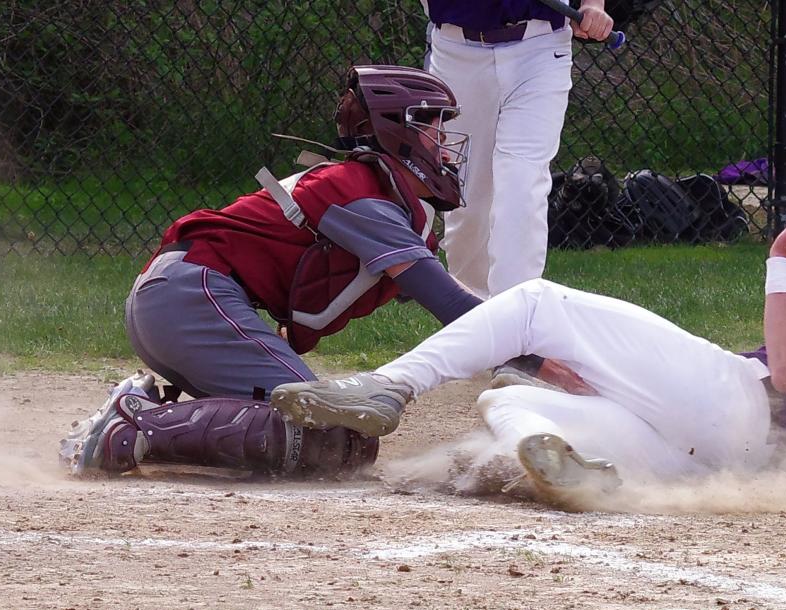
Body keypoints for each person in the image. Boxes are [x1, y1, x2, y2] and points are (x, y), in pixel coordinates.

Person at [267, 197, 786, 509]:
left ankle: (389, 386)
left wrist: (781, 261)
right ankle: (572, 472)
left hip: (734, 404)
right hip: (711, 452)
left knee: (539, 302)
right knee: (504, 398)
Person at [59, 65, 482, 479]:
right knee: (322, 431)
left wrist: (519, 327)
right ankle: (133, 425)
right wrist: (535, 351)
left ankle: (149, 424)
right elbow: (448, 303)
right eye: (436, 130)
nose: (445, 147)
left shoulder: (377, 197)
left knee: (340, 442)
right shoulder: (364, 196)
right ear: (398, 131)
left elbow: (441, 287)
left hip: (178, 297)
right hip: (192, 295)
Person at [422, 0, 615, 297]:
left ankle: (517, 317)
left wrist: (593, 4)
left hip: (539, 48)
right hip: (456, 49)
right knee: (467, 197)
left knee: (521, 182)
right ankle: (472, 314)